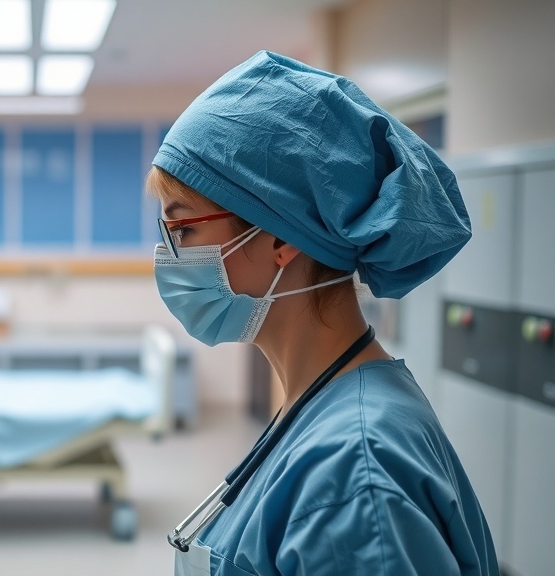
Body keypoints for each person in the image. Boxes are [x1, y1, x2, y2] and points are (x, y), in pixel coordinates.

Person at [149, 51, 499, 575]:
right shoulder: (319, 404)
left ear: (278, 239)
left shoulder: (354, 473)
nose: (169, 258)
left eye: (183, 231)